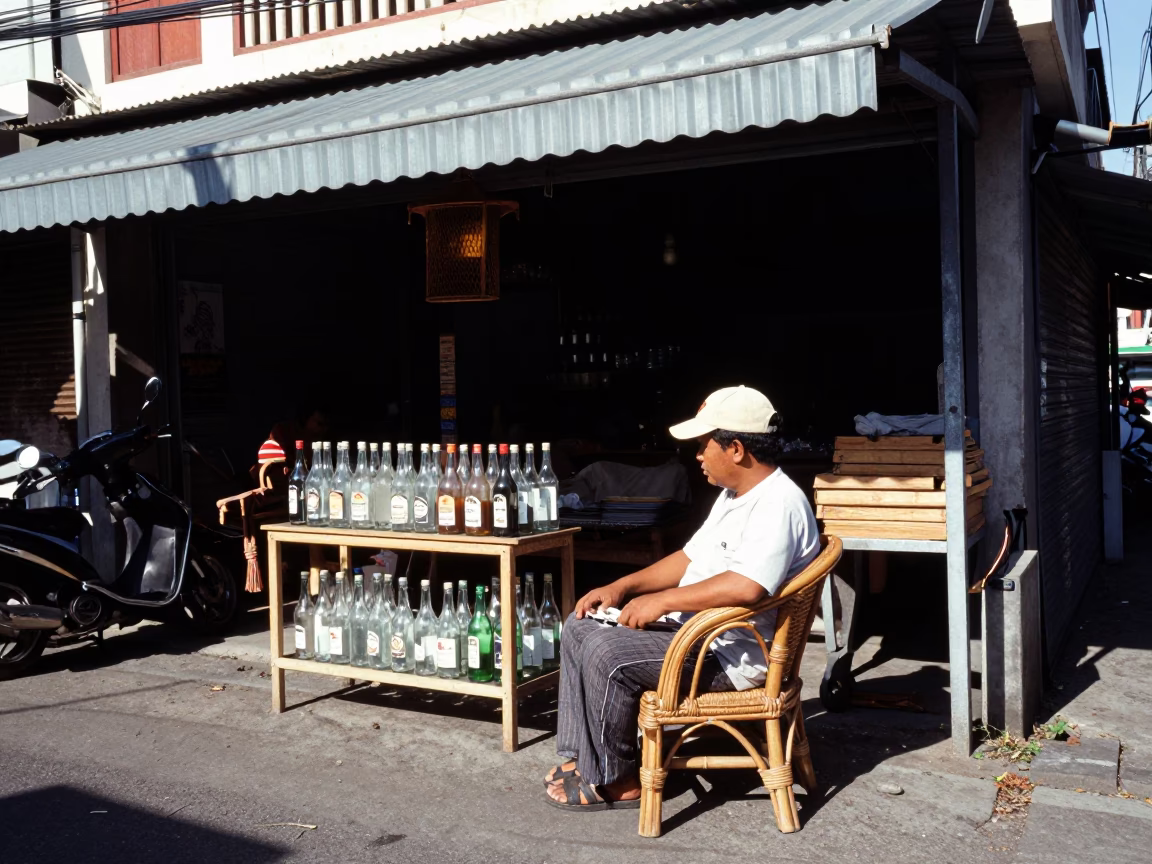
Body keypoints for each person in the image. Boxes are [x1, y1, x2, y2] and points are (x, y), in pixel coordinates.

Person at [544, 385, 819, 811]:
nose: (698, 456)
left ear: (737, 449)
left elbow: (747, 587)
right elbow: (688, 556)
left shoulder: (779, 503)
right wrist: (624, 587)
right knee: (580, 624)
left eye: (703, 445)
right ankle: (589, 759)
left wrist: (664, 601)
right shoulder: (735, 496)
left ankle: (618, 779)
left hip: (730, 653)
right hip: (701, 634)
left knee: (605, 651)